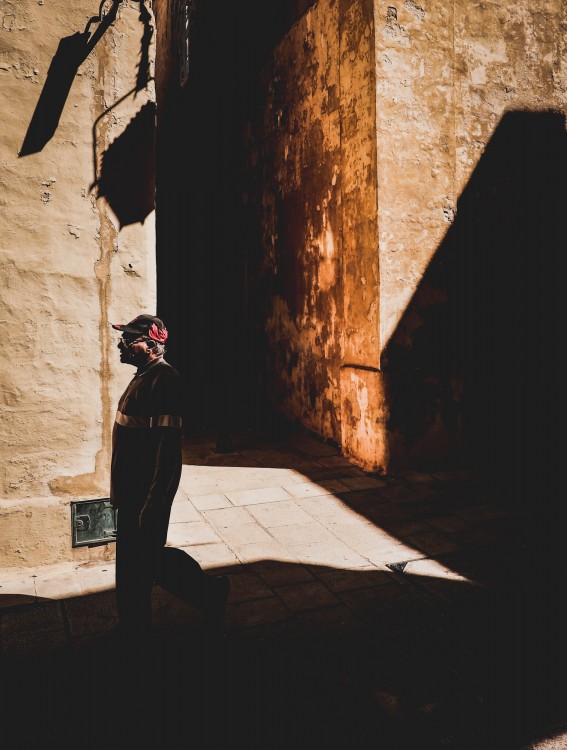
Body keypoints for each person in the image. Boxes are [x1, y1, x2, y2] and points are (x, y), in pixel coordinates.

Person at [110, 313, 230, 636]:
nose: (121, 344)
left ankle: (210, 593)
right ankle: (135, 624)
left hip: (143, 492)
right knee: (137, 560)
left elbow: (168, 452)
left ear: (150, 345)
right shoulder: (144, 375)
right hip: (130, 491)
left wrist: (154, 503)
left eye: (129, 339)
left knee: (146, 561)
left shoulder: (164, 381)